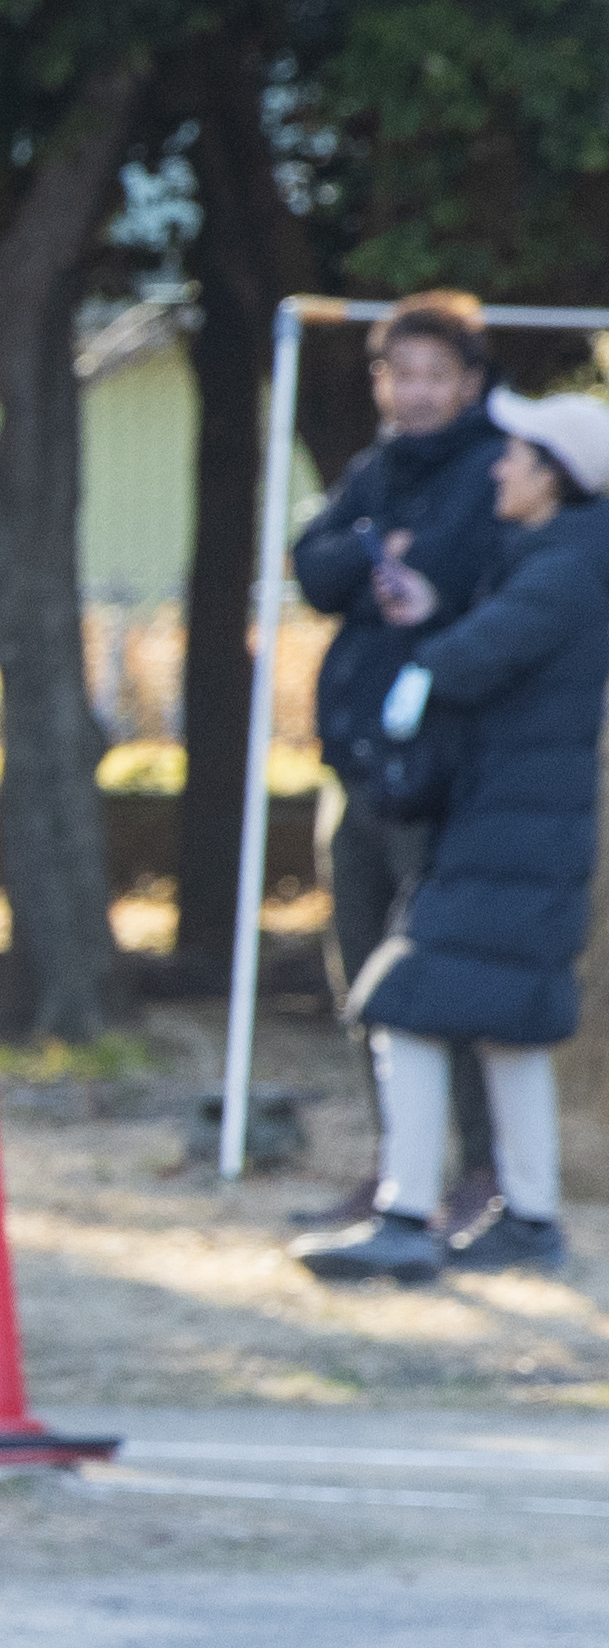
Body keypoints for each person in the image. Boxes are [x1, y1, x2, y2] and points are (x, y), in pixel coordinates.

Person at [293, 389, 609, 1286]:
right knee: (509, 1029)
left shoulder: (559, 569)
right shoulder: (555, 555)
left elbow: (473, 658)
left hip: (507, 832)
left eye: (516, 458)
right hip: (518, 829)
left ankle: (404, 1211)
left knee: (404, 1006)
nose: (498, 468)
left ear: (554, 477)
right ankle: (531, 1218)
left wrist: (416, 675)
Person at [289, 290, 509, 1233]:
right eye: (399, 374)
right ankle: (394, 1166)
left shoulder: (498, 473)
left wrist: (424, 590)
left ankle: (476, 1171)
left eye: (434, 375)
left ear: (467, 382)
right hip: (355, 763)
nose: (415, 393)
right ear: (378, 383)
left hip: (447, 771)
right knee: (362, 975)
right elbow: (316, 566)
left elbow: (480, 586)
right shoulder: (372, 473)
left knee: (443, 973)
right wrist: (374, 555)